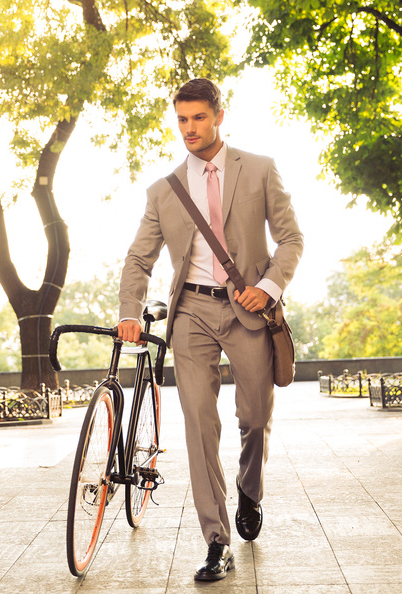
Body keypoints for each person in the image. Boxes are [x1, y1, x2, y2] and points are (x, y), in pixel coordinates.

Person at [117, 78, 303, 581]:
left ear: (219, 116)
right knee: (200, 425)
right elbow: (139, 258)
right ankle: (216, 541)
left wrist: (268, 286)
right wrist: (130, 311)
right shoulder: (164, 191)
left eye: (198, 117)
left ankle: (249, 488)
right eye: (181, 119)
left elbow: (290, 240)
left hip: (249, 311)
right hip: (192, 316)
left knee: (255, 416)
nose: (189, 129)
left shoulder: (260, 169)